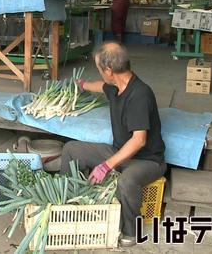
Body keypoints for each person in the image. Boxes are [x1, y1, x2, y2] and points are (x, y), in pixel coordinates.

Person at [60, 42, 167, 247]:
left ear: (109, 70)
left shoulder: (139, 94)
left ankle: (130, 232)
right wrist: (82, 85)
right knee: (71, 150)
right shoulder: (115, 85)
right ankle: (69, 202)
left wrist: (105, 165)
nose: (99, 73)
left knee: (127, 181)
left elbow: (139, 140)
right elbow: (101, 87)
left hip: (147, 160)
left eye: (99, 68)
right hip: (119, 152)